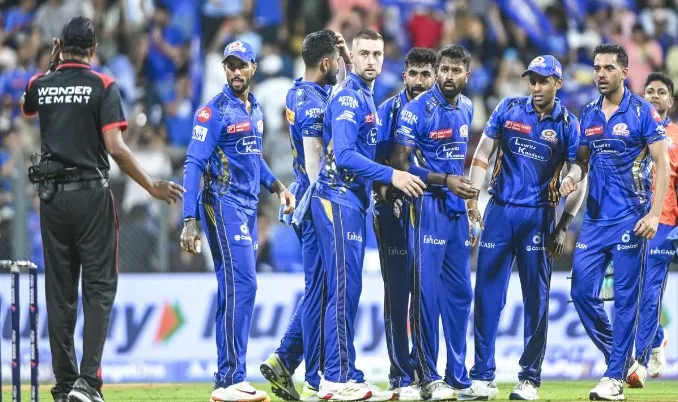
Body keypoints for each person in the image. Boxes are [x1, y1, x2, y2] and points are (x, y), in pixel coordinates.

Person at [21, 17, 184, 402]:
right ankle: (88, 383)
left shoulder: (41, 84)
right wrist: (151, 185)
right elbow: (115, 147)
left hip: (52, 200)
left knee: (59, 293)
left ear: (60, 46)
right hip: (91, 197)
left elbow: (28, 106)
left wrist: (52, 65)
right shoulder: (103, 85)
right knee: (98, 288)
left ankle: (64, 385)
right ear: (94, 49)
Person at [299, 28, 426, 401]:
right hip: (337, 198)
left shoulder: (363, 95)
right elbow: (344, 155)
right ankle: (337, 378)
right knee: (343, 288)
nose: (371, 60)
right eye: (364, 53)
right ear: (352, 57)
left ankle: (344, 372)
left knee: (346, 289)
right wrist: (392, 175)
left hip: (352, 203)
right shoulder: (349, 98)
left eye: (377, 54)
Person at [461, 55, 586, 401]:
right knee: (486, 296)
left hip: (538, 217)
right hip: (499, 212)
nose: (536, 86)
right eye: (532, 80)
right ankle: (482, 377)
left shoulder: (568, 124)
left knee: (536, 300)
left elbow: (580, 172)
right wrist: (472, 201)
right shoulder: (508, 108)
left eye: (543, 80)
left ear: (558, 83)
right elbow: (482, 155)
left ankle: (529, 379)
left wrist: (563, 223)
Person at [179, 40, 296, 402]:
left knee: (236, 287)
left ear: (253, 68)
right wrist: (189, 218)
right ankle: (231, 378)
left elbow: (253, 158)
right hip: (221, 203)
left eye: (242, 65)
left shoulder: (255, 109)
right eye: (230, 65)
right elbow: (193, 163)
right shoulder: (212, 112)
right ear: (224, 69)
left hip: (247, 207)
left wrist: (277, 186)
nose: (236, 72)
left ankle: (226, 379)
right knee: (242, 285)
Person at [561, 44, 669, 401]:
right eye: (596, 67)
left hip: (631, 218)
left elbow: (663, 164)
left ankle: (613, 379)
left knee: (625, 301)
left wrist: (654, 214)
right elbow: (582, 161)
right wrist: (571, 177)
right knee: (580, 293)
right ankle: (621, 361)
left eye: (608, 68)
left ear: (624, 72)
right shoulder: (589, 112)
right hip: (594, 221)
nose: (601, 74)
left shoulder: (642, 111)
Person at [259, 29, 351, 401]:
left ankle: (284, 359)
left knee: (321, 286)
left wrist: (345, 59)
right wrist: (329, 208)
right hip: (316, 203)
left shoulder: (299, 91)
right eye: (337, 61)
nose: (340, 66)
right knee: (319, 290)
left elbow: (342, 90)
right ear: (325, 63)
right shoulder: (313, 105)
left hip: (305, 199)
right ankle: (314, 376)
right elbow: (315, 167)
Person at [389, 44, 477, 401]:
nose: (448, 76)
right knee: (425, 295)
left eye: (456, 70)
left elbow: (460, 162)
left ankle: (457, 376)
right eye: (444, 69)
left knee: (460, 294)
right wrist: (445, 180)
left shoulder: (468, 106)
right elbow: (401, 164)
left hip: (456, 210)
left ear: (467, 75)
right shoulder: (416, 110)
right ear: (438, 71)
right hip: (426, 206)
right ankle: (428, 376)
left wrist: (468, 204)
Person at [373, 47, 436, 401]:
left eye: (425, 74)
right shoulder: (387, 112)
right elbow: (371, 161)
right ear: (404, 75)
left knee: (427, 296)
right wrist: (386, 192)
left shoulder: (445, 110)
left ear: (436, 76)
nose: (419, 81)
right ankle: (400, 375)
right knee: (398, 295)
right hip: (394, 210)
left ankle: (426, 371)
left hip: (432, 211)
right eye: (413, 74)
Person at [633, 72, 677, 380]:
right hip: (629, 220)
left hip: (663, 221)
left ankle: (639, 360)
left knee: (649, 292)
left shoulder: (677, 135)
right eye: (650, 91)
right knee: (628, 293)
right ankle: (657, 336)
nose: (655, 96)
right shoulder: (631, 130)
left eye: (662, 92)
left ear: (670, 100)